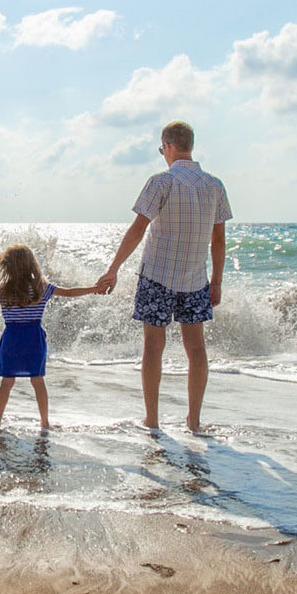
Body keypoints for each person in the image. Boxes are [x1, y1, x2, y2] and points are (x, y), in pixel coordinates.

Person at [95, 121, 232, 431]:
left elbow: (137, 230)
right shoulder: (215, 185)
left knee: (153, 349)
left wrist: (113, 269)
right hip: (196, 280)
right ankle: (194, 421)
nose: (163, 154)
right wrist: (218, 281)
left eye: (162, 149)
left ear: (168, 146)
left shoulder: (161, 182)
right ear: (190, 146)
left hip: (157, 276)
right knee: (196, 349)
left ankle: (152, 420)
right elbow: (219, 241)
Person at [0, 244, 98, 429]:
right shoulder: (41, 287)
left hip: (12, 339)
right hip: (33, 339)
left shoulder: (3, 289)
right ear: (31, 264)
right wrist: (93, 288)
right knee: (37, 381)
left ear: (8, 266)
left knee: (7, 382)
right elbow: (69, 292)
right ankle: (45, 423)